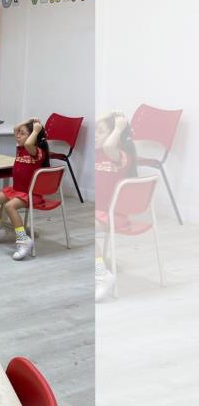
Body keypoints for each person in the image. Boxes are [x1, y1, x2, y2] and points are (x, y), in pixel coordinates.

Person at [0, 118, 50, 260]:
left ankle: (23, 239)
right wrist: (29, 120)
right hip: (16, 190)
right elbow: (15, 128)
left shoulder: (37, 152)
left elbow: (29, 143)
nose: (18, 136)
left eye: (23, 133)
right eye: (19, 133)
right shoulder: (21, 148)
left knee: (9, 206)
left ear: (33, 137)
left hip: (30, 193)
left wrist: (36, 130)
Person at [94, 111, 136, 302]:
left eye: (101, 131)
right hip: (98, 212)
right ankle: (99, 267)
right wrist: (108, 116)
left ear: (115, 136)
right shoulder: (97, 152)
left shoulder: (120, 155)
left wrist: (118, 127)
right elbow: (101, 141)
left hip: (113, 215)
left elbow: (109, 145)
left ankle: (102, 275)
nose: (96, 135)